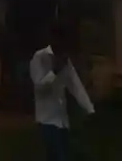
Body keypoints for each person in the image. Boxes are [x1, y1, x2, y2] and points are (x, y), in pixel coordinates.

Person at [29, 20, 95, 161]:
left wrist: (89, 108)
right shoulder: (39, 58)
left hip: (62, 120)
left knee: (55, 156)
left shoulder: (66, 61)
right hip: (46, 119)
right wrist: (54, 71)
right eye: (60, 39)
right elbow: (39, 88)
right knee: (60, 157)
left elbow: (75, 85)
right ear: (52, 38)